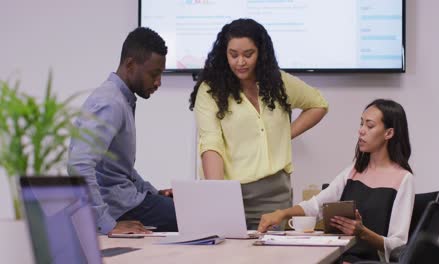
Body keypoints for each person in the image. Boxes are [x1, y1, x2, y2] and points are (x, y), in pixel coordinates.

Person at [189, 18, 329, 230]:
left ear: (261, 53)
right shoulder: (210, 90)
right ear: (224, 53)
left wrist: (284, 135)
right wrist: (216, 196)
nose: (240, 62)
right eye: (233, 55)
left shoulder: (278, 83)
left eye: (248, 54)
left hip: (274, 197)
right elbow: (211, 144)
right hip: (231, 194)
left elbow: (318, 105)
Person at [258, 99, 415, 263]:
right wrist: (281, 214)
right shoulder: (353, 170)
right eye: (361, 124)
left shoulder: (403, 179)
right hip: (339, 257)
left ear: (389, 133)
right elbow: (316, 205)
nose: (361, 131)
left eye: (369, 126)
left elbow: (398, 245)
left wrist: (362, 232)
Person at [68, 27, 177, 235]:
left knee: (183, 209)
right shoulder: (109, 102)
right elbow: (78, 165)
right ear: (130, 65)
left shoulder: (121, 99)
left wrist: (154, 193)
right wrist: (106, 224)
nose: (158, 82)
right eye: (154, 74)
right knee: (190, 216)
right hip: (117, 208)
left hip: (123, 199)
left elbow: (118, 170)